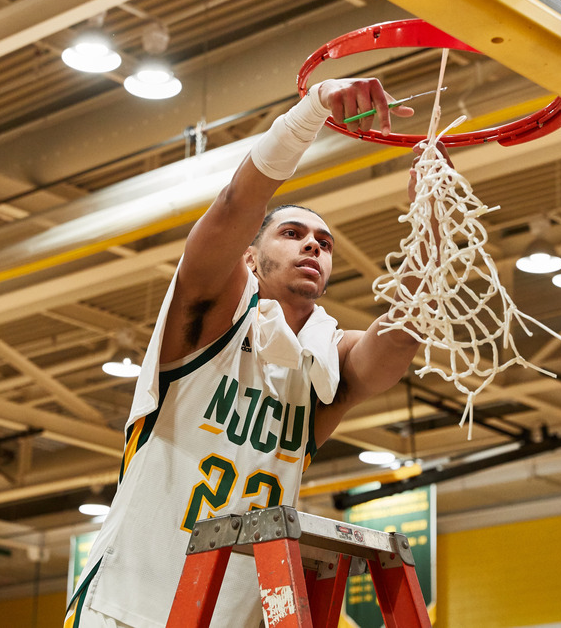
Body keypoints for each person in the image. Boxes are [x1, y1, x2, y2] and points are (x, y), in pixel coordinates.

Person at [65, 77, 447, 627]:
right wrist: (311, 112)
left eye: (324, 241)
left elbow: (399, 340)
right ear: (249, 257)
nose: (313, 243)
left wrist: (430, 231)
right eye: (292, 233)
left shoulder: (323, 358)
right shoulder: (207, 319)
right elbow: (234, 203)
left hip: (230, 616)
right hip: (127, 607)